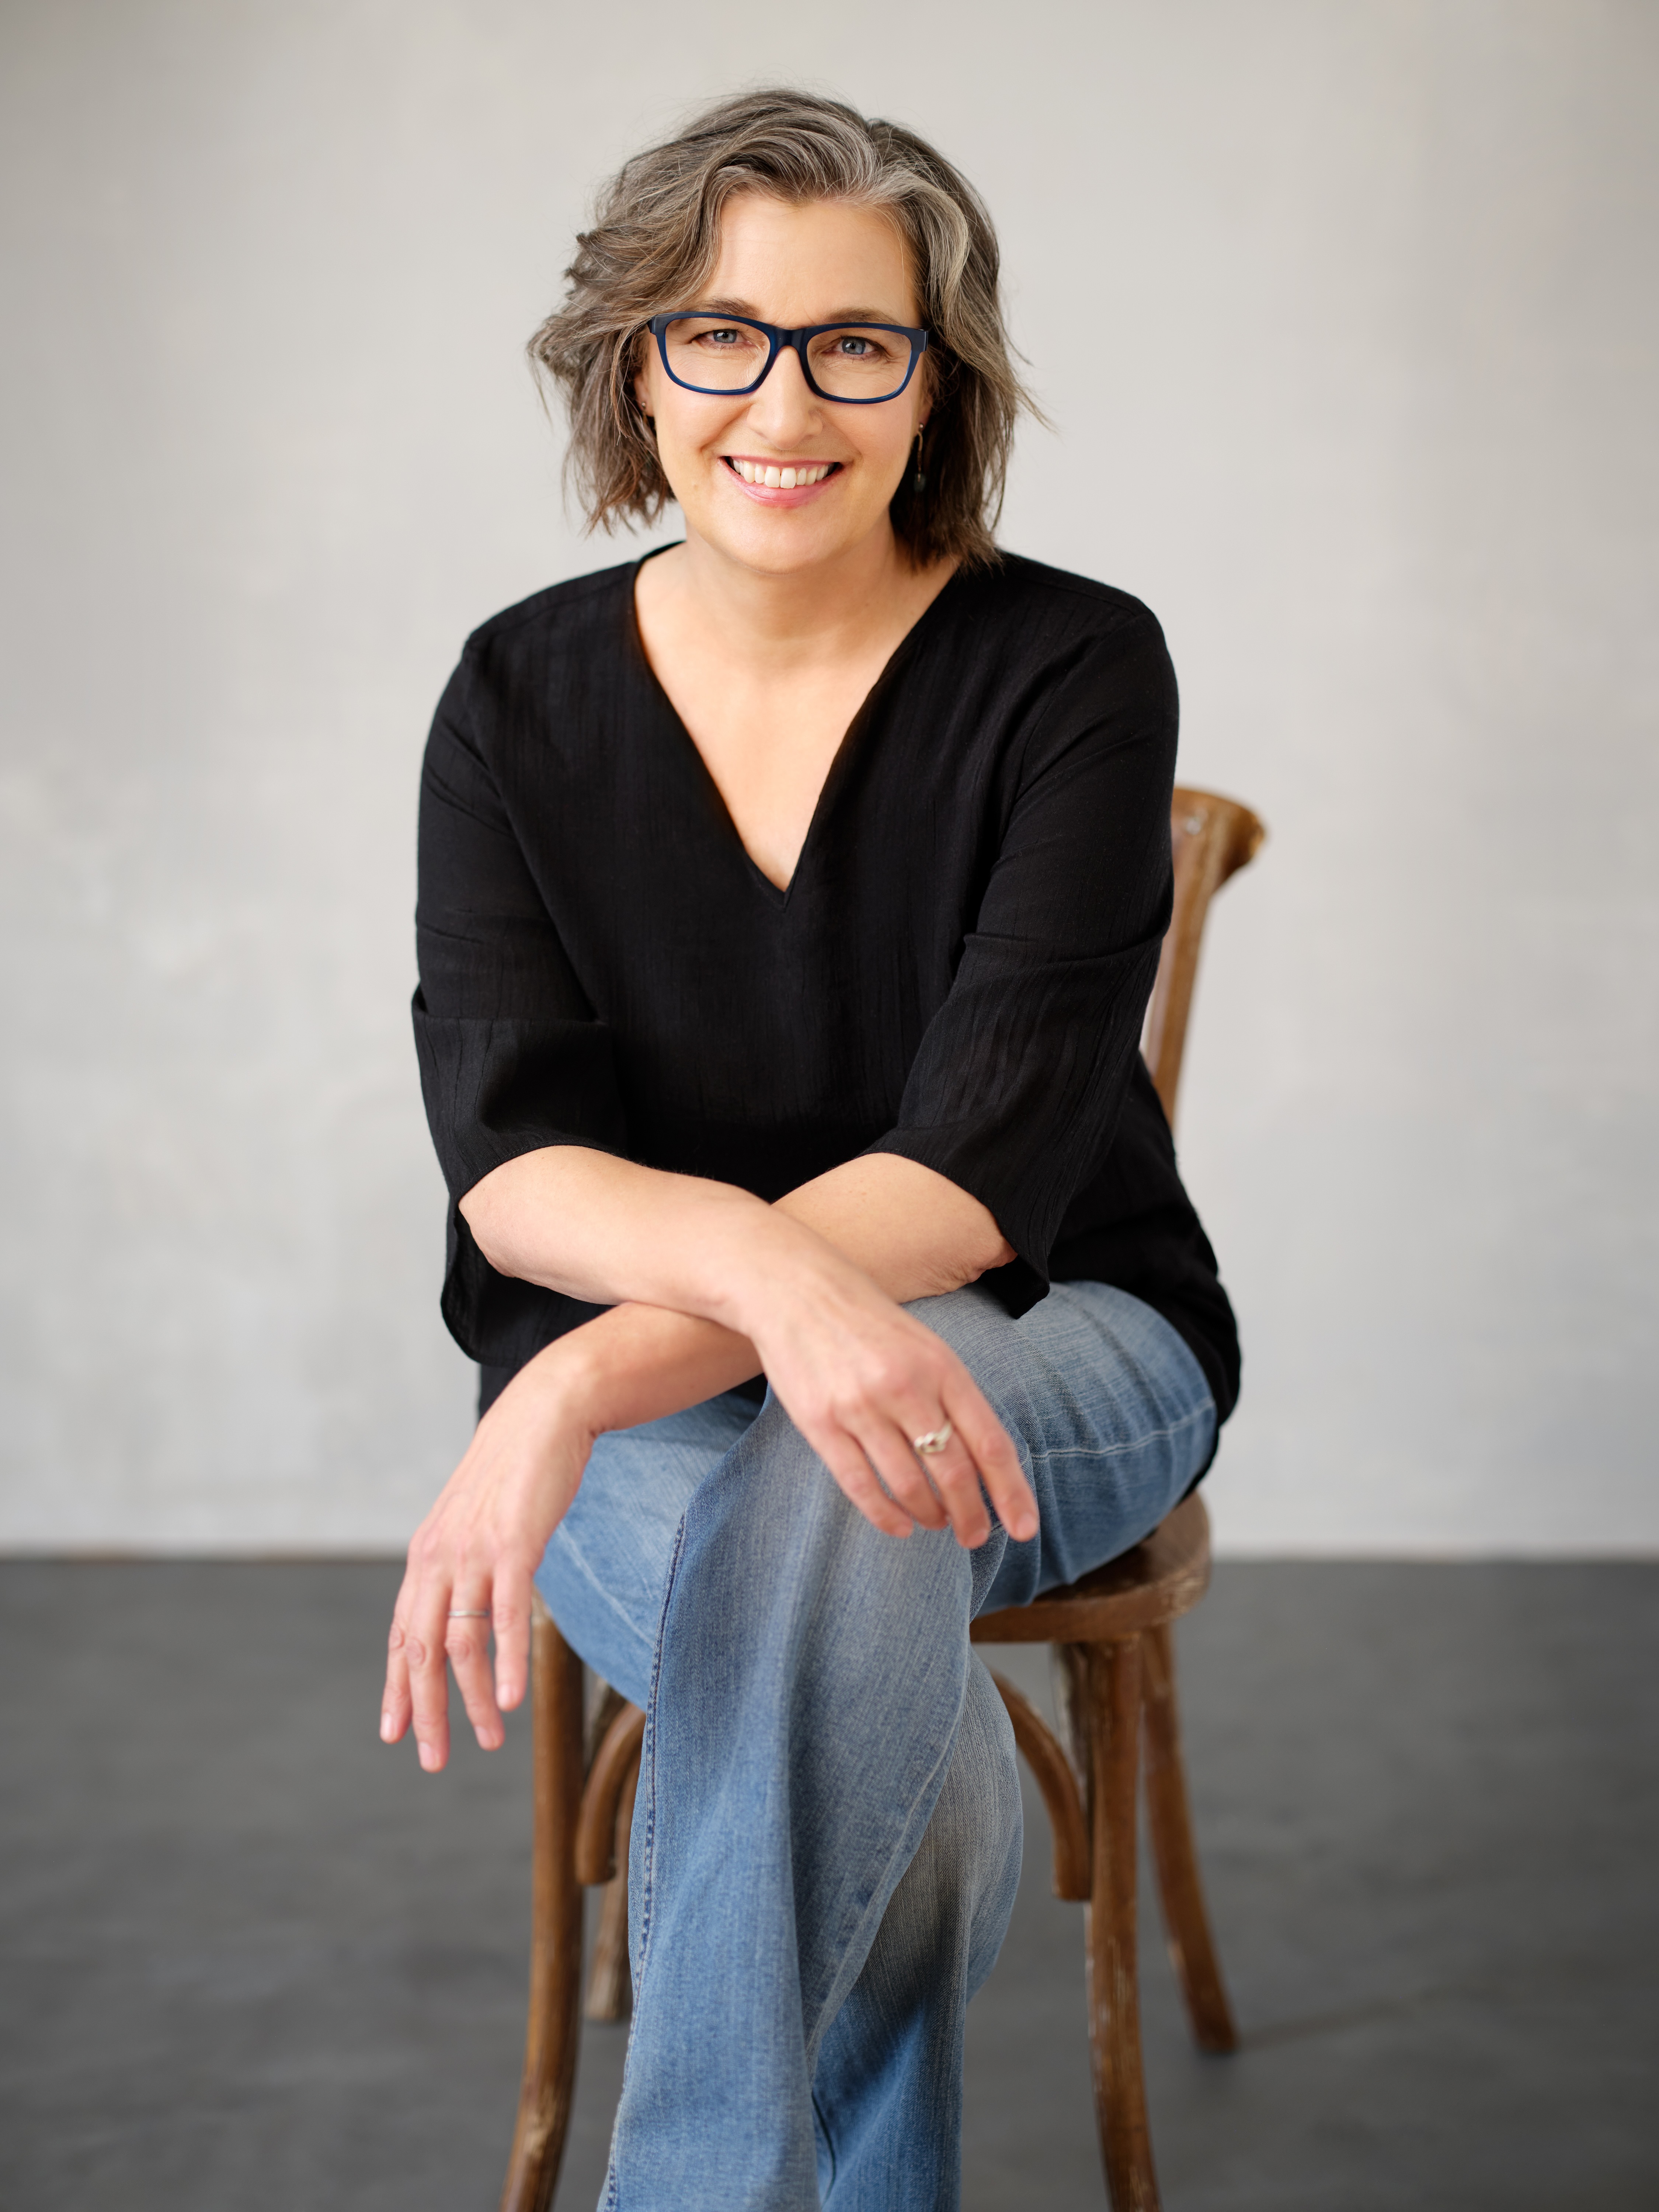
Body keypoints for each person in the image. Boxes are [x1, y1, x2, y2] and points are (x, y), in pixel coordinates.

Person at [380, 87, 1238, 2211]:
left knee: (852, 1483)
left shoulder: (1068, 665)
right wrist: (774, 1296)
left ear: (935, 380)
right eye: (720, 335)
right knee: (900, 1742)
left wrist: (570, 1378)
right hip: (712, 1410)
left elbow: (973, 1173)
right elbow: (517, 1168)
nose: (787, 400)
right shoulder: (514, 697)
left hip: (1062, 1331)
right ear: (633, 367)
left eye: (859, 340)